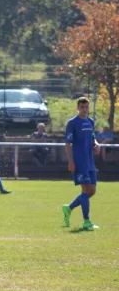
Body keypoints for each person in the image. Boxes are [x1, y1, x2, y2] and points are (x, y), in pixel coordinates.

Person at [62, 97, 100, 230]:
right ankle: (86, 221)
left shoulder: (90, 122)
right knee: (85, 191)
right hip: (79, 161)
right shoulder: (72, 123)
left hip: (90, 162)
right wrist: (71, 162)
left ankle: (69, 208)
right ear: (77, 108)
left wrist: (96, 144)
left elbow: (92, 138)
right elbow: (67, 144)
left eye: (86, 107)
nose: (84, 110)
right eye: (82, 107)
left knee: (92, 191)